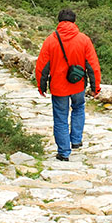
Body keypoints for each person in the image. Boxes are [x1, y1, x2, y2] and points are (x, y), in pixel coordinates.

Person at [35, 9, 101, 161]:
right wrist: (95, 87)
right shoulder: (84, 40)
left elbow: (42, 66)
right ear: (74, 22)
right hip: (78, 85)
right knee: (78, 108)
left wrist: (41, 86)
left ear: (59, 22)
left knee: (60, 118)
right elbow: (93, 66)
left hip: (58, 87)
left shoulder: (51, 40)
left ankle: (64, 152)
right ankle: (76, 140)